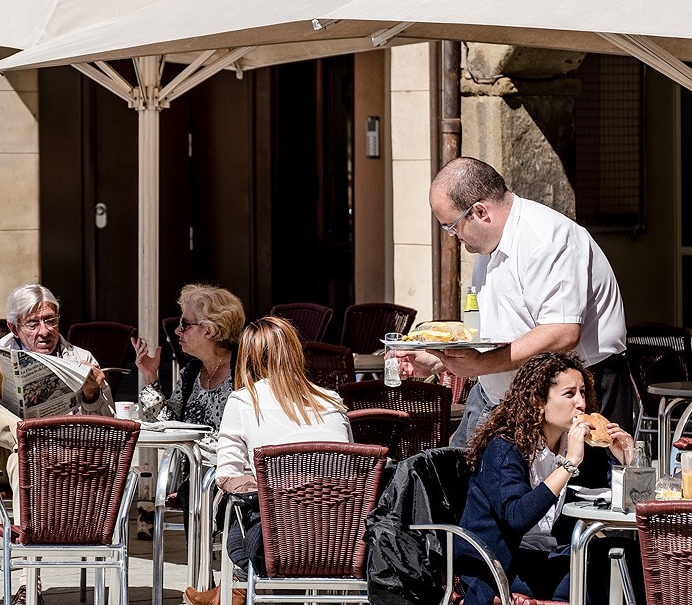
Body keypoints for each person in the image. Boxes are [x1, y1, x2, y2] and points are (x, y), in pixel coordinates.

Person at [400, 157, 633, 446]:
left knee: (577, 491)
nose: (453, 237)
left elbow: (561, 332)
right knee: (457, 481)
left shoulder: (546, 238)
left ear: (480, 211)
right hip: (502, 397)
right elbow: (502, 330)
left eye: (452, 226)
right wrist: (439, 361)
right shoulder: (487, 246)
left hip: (577, 396)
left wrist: (480, 365)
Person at [0, 283, 113, 605]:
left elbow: (108, 429)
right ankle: (26, 436)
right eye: (34, 323)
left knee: (24, 459)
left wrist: (91, 394)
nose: (45, 331)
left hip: (55, 463)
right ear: (13, 327)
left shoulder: (81, 359)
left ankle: (27, 586)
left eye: (51, 321)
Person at [185, 316, 352, 605]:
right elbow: (347, 468)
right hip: (340, 541)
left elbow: (226, 476)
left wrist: (266, 483)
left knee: (238, 516)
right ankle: (234, 590)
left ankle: (237, 588)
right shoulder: (333, 400)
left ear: (248, 359)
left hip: (276, 545)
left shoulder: (243, 401)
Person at [458, 352, 635, 605]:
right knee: (597, 578)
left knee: (624, 554)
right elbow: (517, 517)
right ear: (539, 401)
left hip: (548, 554)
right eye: (569, 394)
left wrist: (625, 459)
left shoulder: (571, 444)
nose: (581, 403)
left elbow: (616, 501)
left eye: (583, 392)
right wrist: (570, 463)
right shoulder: (504, 447)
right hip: (500, 563)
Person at [132, 283, 244, 430]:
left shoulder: (243, 371)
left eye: (184, 324)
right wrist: (150, 375)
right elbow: (165, 424)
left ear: (209, 331)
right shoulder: (191, 373)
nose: (178, 330)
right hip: (186, 453)